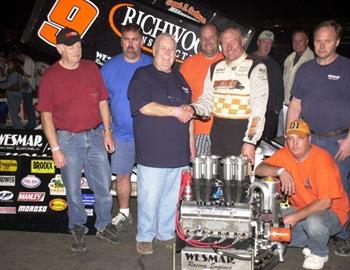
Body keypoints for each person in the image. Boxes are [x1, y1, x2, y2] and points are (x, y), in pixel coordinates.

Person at [37, 27, 119, 252]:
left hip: (94, 135)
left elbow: (103, 101)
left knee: (103, 186)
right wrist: (55, 148)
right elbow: (46, 115)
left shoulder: (91, 68)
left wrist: (107, 132)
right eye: (71, 46)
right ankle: (77, 226)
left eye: (79, 45)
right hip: (67, 139)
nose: (77, 49)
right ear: (59, 48)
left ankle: (103, 225)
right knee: (73, 190)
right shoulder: (51, 76)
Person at [287, 20, 350, 256]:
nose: (321, 45)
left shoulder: (346, 68)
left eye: (327, 41)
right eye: (318, 41)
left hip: (338, 142)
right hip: (309, 140)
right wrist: (290, 135)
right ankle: (312, 229)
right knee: (309, 187)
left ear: (337, 41)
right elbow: (295, 105)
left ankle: (342, 235)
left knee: (338, 190)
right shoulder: (305, 69)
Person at [128, 33, 193, 255]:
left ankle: (165, 233)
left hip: (178, 154)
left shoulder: (180, 80)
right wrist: (175, 111)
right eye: (163, 48)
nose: (167, 53)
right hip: (152, 153)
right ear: (153, 50)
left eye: (172, 50)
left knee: (171, 198)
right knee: (150, 197)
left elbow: (188, 114)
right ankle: (145, 236)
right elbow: (144, 106)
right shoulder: (142, 75)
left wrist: (190, 147)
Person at [255, 119, 349, 270]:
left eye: (300, 138)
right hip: (301, 208)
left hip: (332, 213)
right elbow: (259, 169)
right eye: (291, 138)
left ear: (309, 139)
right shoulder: (285, 154)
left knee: (314, 223)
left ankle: (320, 253)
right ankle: (312, 240)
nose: (295, 143)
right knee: (270, 227)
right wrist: (280, 171)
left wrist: (295, 217)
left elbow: (325, 203)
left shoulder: (322, 161)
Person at [188, 25, 268, 164]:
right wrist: (193, 109)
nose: (229, 46)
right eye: (224, 43)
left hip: (241, 136)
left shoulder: (256, 67)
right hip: (217, 136)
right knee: (217, 183)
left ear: (242, 41)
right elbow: (207, 101)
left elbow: (258, 110)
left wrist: (250, 141)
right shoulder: (215, 67)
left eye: (233, 41)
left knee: (239, 185)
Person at [101, 23, 152, 231]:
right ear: (121, 41)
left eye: (134, 39)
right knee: (122, 175)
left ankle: (151, 215)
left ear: (142, 42)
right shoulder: (109, 68)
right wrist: (107, 131)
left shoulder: (152, 64)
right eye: (126, 39)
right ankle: (124, 213)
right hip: (121, 135)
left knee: (150, 176)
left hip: (149, 134)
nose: (130, 44)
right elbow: (102, 102)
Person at [180, 23, 223, 156]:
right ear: (199, 40)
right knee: (201, 175)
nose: (207, 41)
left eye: (211, 37)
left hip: (223, 132)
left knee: (223, 174)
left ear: (218, 39)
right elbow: (181, 98)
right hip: (197, 131)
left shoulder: (227, 62)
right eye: (204, 38)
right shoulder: (188, 64)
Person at [277, 29, 314, 136]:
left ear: (307, 41)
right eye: (294, 40)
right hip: (284, 105)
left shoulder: (312, 60)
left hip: (300, 109)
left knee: (296, 138)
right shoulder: (289, 58)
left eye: (300, 40)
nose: (297, 43)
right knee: (282, 137)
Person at [250, 30, 284, 141]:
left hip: (269, 114)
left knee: (265, 145)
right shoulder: (248, 60)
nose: (267, 45)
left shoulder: (274, 65)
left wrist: (276, 111)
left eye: (270, 43)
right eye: (264, 42)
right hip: (251, 111)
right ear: (258, 42)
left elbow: (279, 89)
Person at [0, 59, 24, 129]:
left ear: (14, 65)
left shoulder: (14, 74)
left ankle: (20, 129)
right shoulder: (17, 74)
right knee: (14, 113)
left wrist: (1, 84)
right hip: (16, 95)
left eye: (10, 64)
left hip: (13, 95)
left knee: (13, 113)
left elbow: (6, 85)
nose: (8, 65)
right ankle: (17, 128)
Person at [17, 49, 37, 129]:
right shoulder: (30, 61)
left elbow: (27, 75)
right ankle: (31, 123)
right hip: (29, 86)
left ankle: (31, 123)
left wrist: (19, 69)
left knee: (28, 106)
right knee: (28, 105)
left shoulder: (28, 61)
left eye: (19, 57)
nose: (20, 59)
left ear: (21, 55)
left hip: (27, 87)